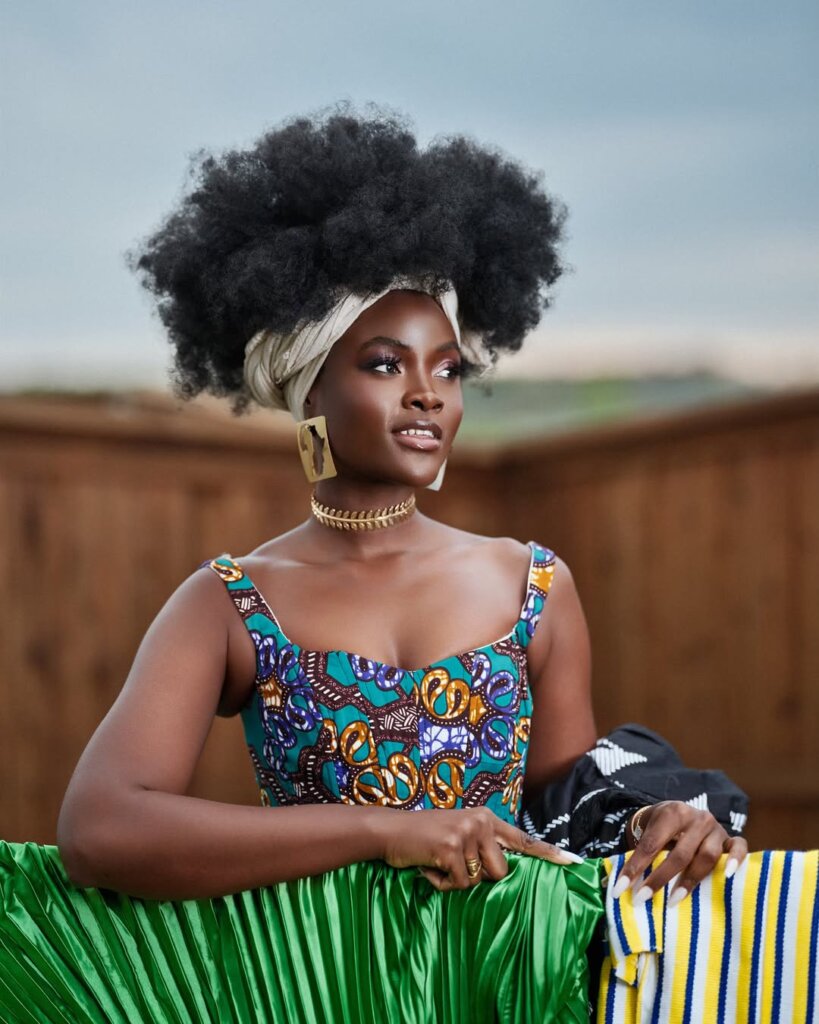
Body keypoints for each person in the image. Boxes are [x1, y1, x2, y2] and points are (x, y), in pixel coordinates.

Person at [46, 105, 750, 1018]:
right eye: (384, 364)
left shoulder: (533, 583)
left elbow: (564, 805)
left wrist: (655, 822)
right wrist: (384, 830)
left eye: (449, 369)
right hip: (309, 989)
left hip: (507, 986)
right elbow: (100, 828)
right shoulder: (228, 602)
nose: (428, 394)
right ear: (309, 387)